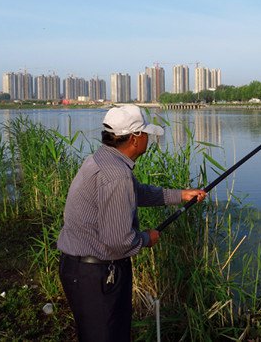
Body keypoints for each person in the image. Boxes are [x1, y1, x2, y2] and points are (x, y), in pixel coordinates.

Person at [57, 104, 206, 341]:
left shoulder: (102, 160)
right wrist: (147, 238)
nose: (148, 138)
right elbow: (118, 242)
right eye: (145, 132)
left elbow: (137, 192)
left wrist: (180, 195)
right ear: (135, 138)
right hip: (96, 275)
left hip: (81, 270)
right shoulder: (117, 175)